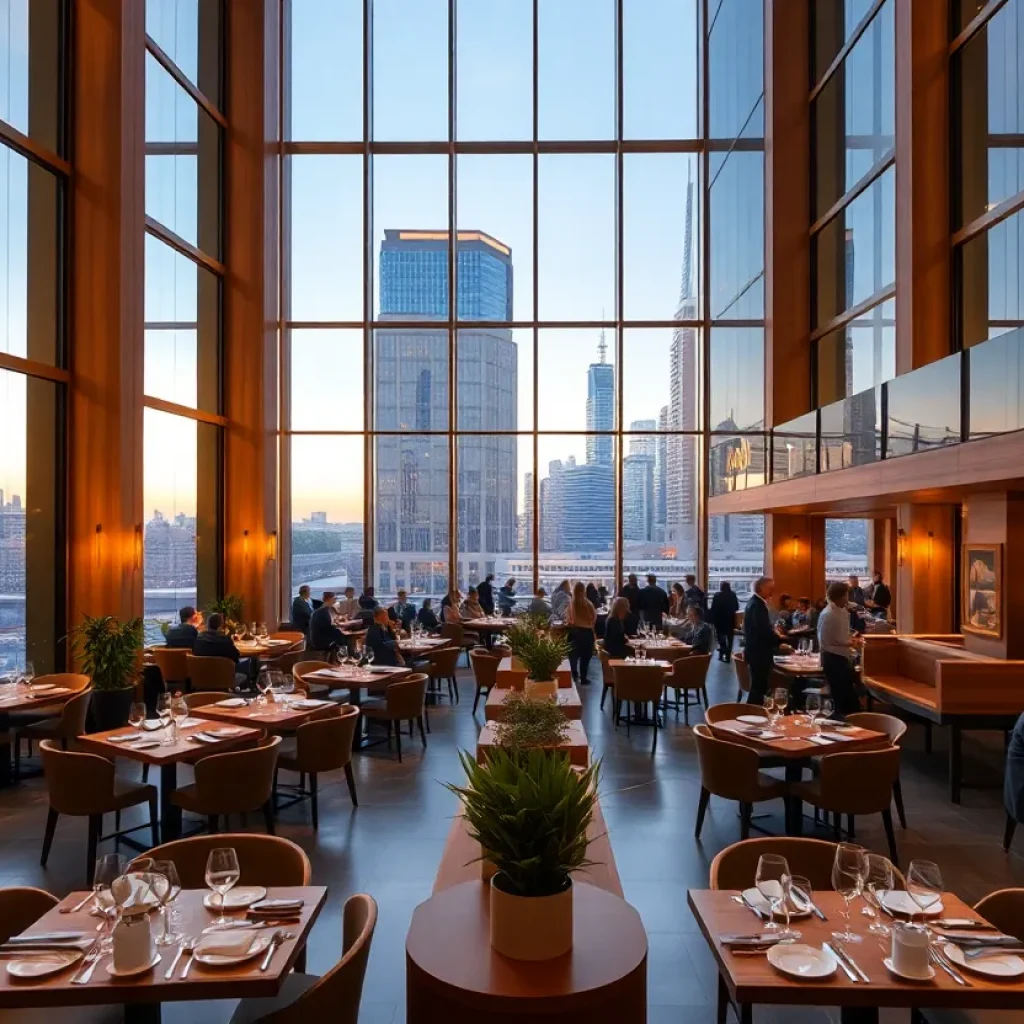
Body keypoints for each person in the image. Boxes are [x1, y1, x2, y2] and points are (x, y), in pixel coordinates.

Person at [817, 580, 864, 717]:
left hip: (838, 657)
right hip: (833, 659)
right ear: (841, 596)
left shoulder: (838, 610)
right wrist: (853, 642)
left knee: (846, 697)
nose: (848, 599)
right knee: (844, 699)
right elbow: (831, 640)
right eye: (846, 595)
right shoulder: (830, 614)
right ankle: (848, 726)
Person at [743, 576, 790, 705]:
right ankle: (753, 715)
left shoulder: (752, 603)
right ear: (761, 588)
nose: (772, 592)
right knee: (758, 689)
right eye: (770, 589)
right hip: (759, 653)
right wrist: (779, 642)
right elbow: (763, 631)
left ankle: (753, 715)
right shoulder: (758, 606)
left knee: (758, 688)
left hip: (754, 651)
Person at [193, 613, 250, 687]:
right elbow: (236, 657)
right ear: (220, 626)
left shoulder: (197, 639)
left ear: (207, 625)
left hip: (201, 677)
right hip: (224, 677)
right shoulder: (225, 641)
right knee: (253, 661)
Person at [567, 581, 596, 685]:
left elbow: (568, 618)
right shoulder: (588, 603)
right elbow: (593, 618)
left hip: (574, 632)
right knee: (585, 657)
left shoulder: (571, 603)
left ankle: (574, 674)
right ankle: (583, 678)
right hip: (586, 632)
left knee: (573, 655)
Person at [709, 581, 739, 662]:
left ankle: (722, 653)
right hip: (730, 620)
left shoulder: (717, 595)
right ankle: (728, 656)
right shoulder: (733, 595)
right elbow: (737, 607)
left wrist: (712, 620)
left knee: (721, 638)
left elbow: (713, 608)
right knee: (730, 638)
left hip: (719, 620)